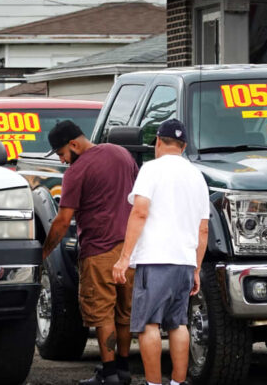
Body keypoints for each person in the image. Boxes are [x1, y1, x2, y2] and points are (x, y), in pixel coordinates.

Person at [112, 119, 209, 385]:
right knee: (178, 324)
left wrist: (124, 258)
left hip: (155, 260)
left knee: (148, 325)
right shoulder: (197, 175)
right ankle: (177, 382)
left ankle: (154, 384)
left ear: (157, 141)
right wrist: (197, 268)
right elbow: (203, 229)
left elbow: (140, 211)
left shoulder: (151, 169)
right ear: (184, 145)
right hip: (185, 262)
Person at [42, 120, 138, 385]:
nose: (62, 160)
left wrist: (44, 253)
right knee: (124, 313)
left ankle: (108, 374)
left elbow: (63, 221)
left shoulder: (76, 171)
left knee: (102, 313)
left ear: (73, 144)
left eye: (62, 153)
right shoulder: (121, 153)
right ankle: (122, 369)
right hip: (130, 251)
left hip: (99, 251)